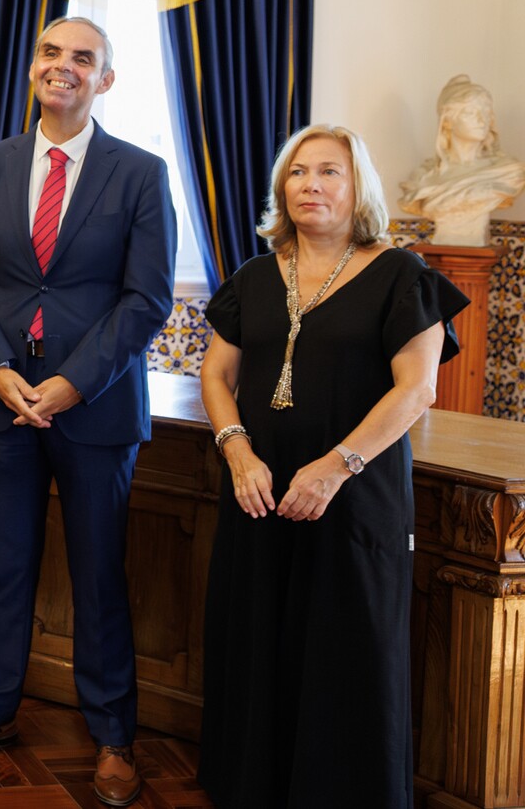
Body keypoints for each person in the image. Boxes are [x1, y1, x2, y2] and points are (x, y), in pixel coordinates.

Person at [0, 17, 176, 807]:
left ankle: (113, 735)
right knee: (4, 568)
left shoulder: (140, 172)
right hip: (3, 400)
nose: (62, 65)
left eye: (82, 57)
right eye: (49, 51)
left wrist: (75, 381)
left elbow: (147, 298)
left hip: (95, 405)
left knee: (99, 574)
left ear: (105, 79)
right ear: (33, 65)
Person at [198, 124, 466, 809]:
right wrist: (237, 450)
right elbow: (216, 374)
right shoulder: (254, 276)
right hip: (258, 488)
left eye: (328, 172)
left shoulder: (401, 274)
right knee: (259, 639)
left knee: (347, 647)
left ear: (358, 188)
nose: (310, 184)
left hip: (356, 493)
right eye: (297, 172)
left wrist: (334, 467)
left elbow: (417, 389)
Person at [398, 74, 525, 245]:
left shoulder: (508, 172)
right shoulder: (423, 177)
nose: (482, 120)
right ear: (447, 121)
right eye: (470, 112)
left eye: (486, 112)